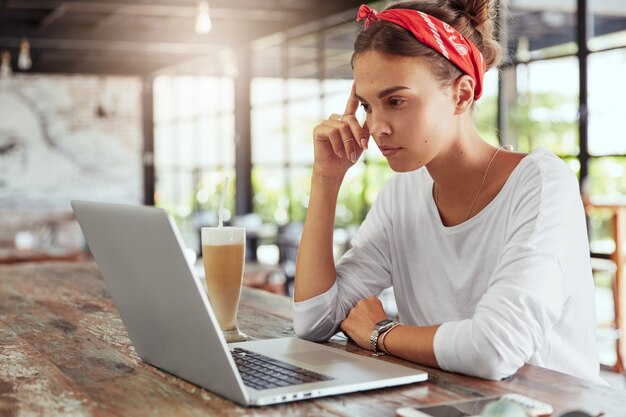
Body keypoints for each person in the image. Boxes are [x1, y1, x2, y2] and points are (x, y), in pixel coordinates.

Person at [293, 1, 603, 384]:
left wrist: (381, 333)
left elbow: (494, 349)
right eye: (368, 106)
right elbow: (313, 319)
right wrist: (326, 179)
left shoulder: (541, 183)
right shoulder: (402, 195)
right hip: (447, 403)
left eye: (395, 101)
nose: (376, 127)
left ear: (461, 94)